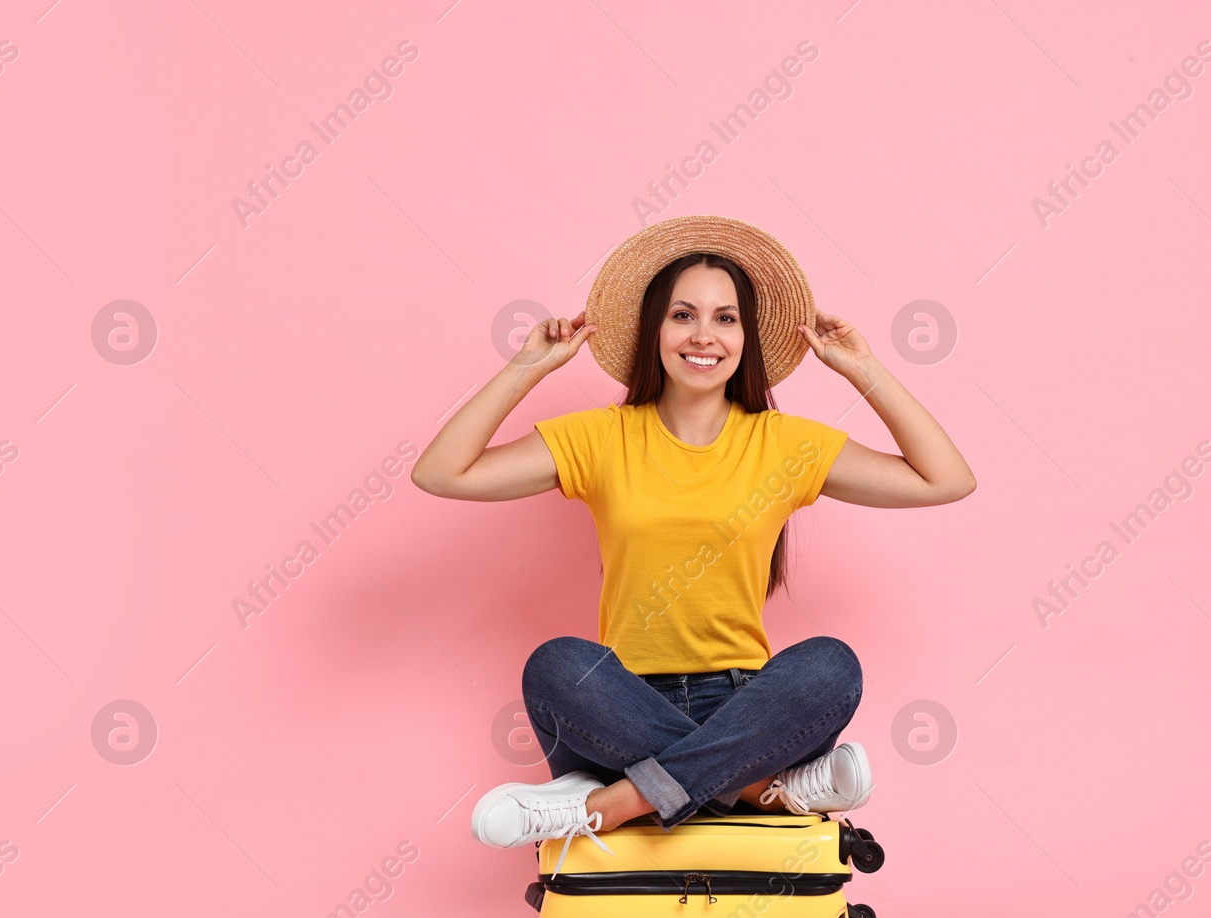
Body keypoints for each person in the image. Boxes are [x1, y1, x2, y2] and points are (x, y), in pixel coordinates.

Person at [411, 216, 975, 873]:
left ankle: (606, 806)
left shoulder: (785, 444)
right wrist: (527, 366)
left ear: (747, 337)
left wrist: (864, 368)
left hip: (746, 704)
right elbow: (441, 472)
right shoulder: (601, 437)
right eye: (683, 315)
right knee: (557, 665)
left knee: (830, 666)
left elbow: (946, 478)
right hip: (621, 710)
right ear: (656, 331)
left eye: (725, 318)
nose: (703, 335)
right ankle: (755, 790)